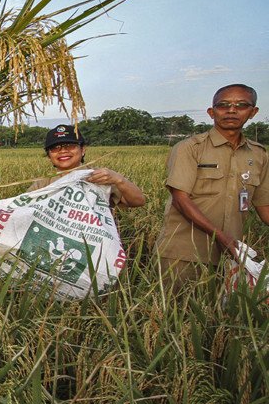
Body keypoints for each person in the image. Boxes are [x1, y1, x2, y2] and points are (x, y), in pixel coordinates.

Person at [155, 84, 269, 287]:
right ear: (211, 112)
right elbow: (181, 200)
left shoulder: (259, 155)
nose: (231, 110)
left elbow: (264, 208)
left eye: (241, 105)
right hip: (183, 254)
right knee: (179, 314)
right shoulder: (190, 148)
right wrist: (222, 238)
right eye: (223, 105)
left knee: (219, 316)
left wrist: (228, 243)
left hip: (231, 257)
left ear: (253, 112)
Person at [28, 124, 146, 207]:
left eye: (69, 145)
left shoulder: (99, 177)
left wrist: (119, 180)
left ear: (83, 149)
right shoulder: (42, 184)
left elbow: (138, 201)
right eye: (55, 148)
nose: (63, 151)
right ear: (49, 155)